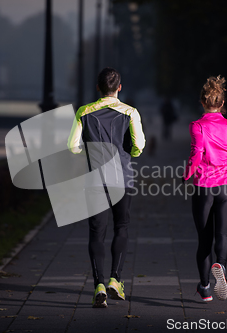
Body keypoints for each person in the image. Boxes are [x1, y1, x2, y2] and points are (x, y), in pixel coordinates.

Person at [67, 67, 146, 308]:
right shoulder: (130, 113)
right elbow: (138, 146)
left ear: (98, 88)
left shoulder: (84, 112)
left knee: (96, 233)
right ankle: (116, 280)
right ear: (119, 88)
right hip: (122, 178)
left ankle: (98, 285)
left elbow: (72, 146)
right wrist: (128, 153)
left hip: (94, 179)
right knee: (121, 227)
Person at [183, 76, 227, 302]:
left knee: (204, 239)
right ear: (222, 104)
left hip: (204, 187)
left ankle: (205, 287)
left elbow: (196, 155)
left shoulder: (197, 126)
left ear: (202, 102)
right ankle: (221, 264)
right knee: (222, 234)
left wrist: (186, 175)